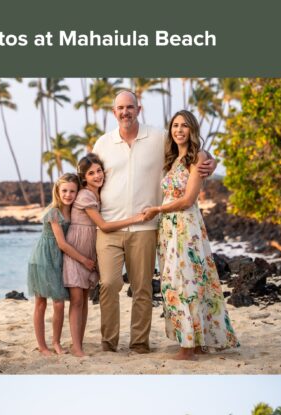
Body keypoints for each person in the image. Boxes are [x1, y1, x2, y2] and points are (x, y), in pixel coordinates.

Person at [92, 90, 216, 353]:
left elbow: (189, 151)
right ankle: (108, 343)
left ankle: (139, 343)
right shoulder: (102, 143)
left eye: (130, 107)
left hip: (146, 227)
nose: (125, 112)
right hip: (110, 226)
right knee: (109, 284)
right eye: (120, 108)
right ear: (114, 112)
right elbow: (89, 178)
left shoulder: (159, 138)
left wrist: (211, 161)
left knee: (143, 289)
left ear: (139, 109)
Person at [140, 111, 239, 360]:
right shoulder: (173, 158)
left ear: (192, 129)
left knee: (185, 282)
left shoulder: (198, 157)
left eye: (184, 125)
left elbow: (188, 199)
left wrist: (157, 209)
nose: (179, 130)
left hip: (185, 226)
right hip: (168, 229)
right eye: (175, 125)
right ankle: (194, 342)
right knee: (178, 281)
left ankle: (188, 347)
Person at [63, 155, 147, 358]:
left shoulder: (98, 193)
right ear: (84, 178)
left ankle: (79, 344)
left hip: (90, 249)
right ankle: (76, 346)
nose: (97, 176)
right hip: (78, 250)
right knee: (77, 300)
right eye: (91, 173)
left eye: (99, 171)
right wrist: (136, 218)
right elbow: (104, 226)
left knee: (83, 300)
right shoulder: (85, 195)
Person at [27, 173, 79, 358]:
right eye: (64, 190)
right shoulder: (53, 212)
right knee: (41, 302)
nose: (68, 195)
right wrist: (83, 260)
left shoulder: (75, 212)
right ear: (57, 191)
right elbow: (62, 244)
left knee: (59, 304)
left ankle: (56, 342)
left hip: (59, 260)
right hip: (43, 258)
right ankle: (42, 346)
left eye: (72, 191)